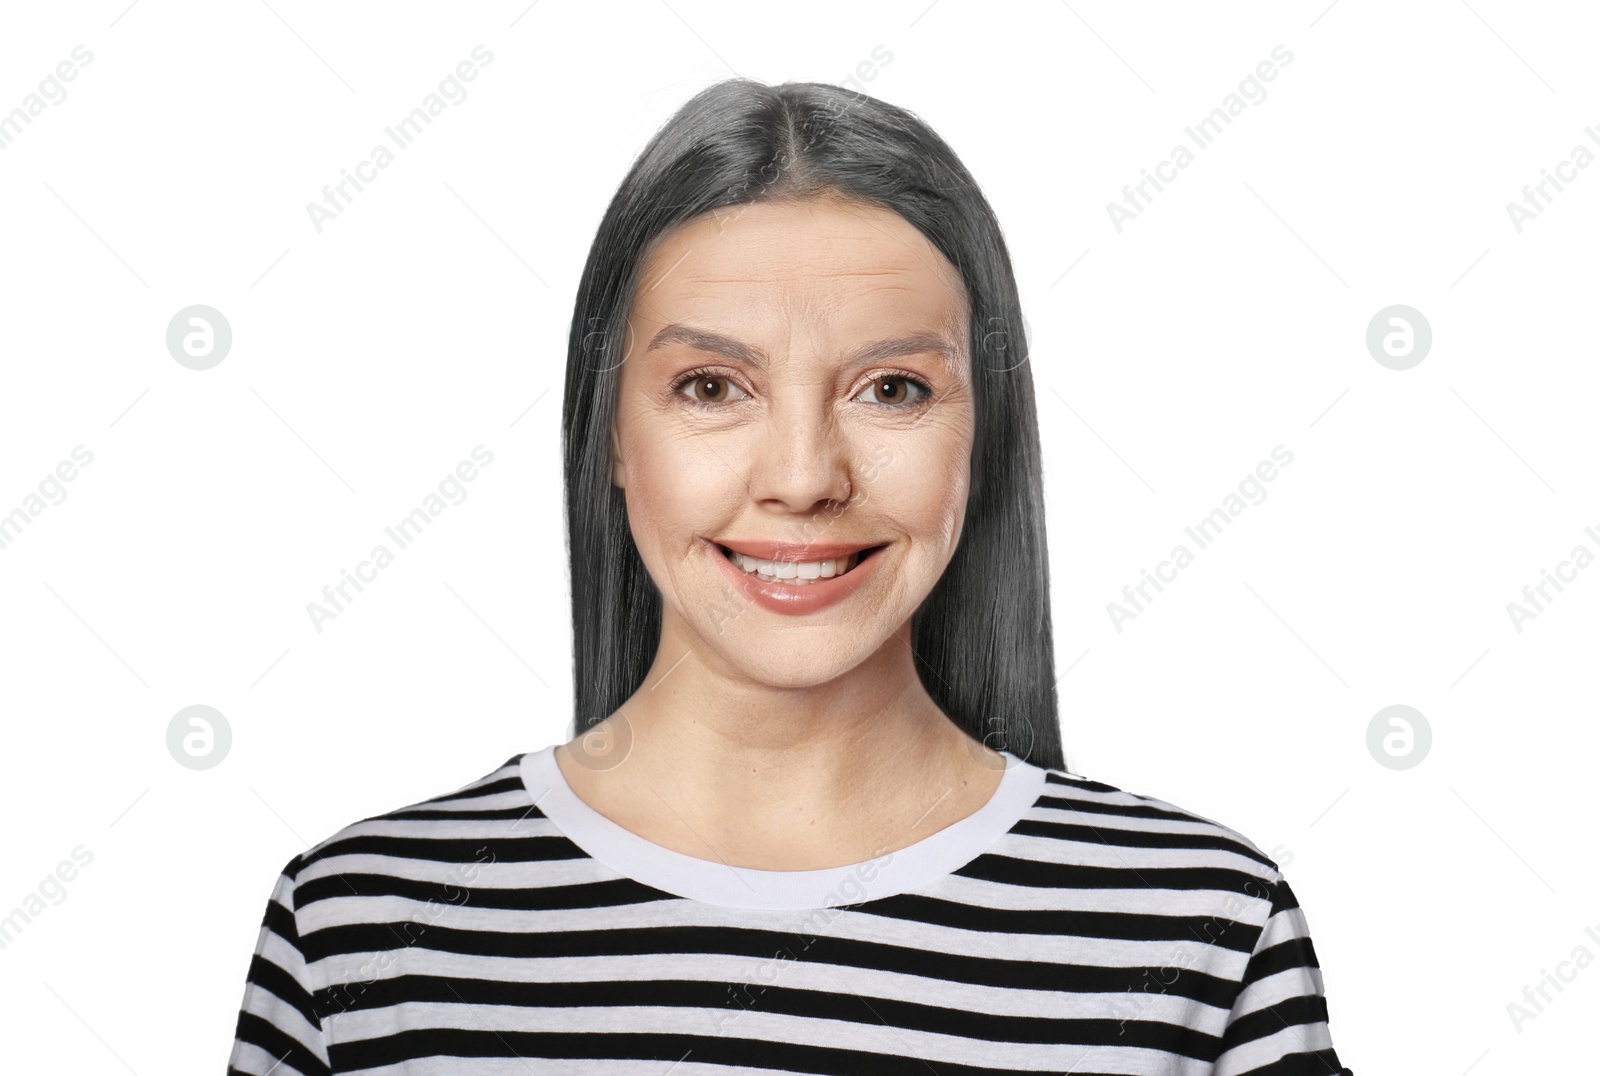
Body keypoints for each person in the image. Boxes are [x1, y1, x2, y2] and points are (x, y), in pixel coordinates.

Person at [228, 77, 1353, 1074]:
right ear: (612, 435)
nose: (806, 476)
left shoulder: (1198, 931)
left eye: (893, 388)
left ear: (981, 435)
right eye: (713, 386)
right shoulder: (362, 931)